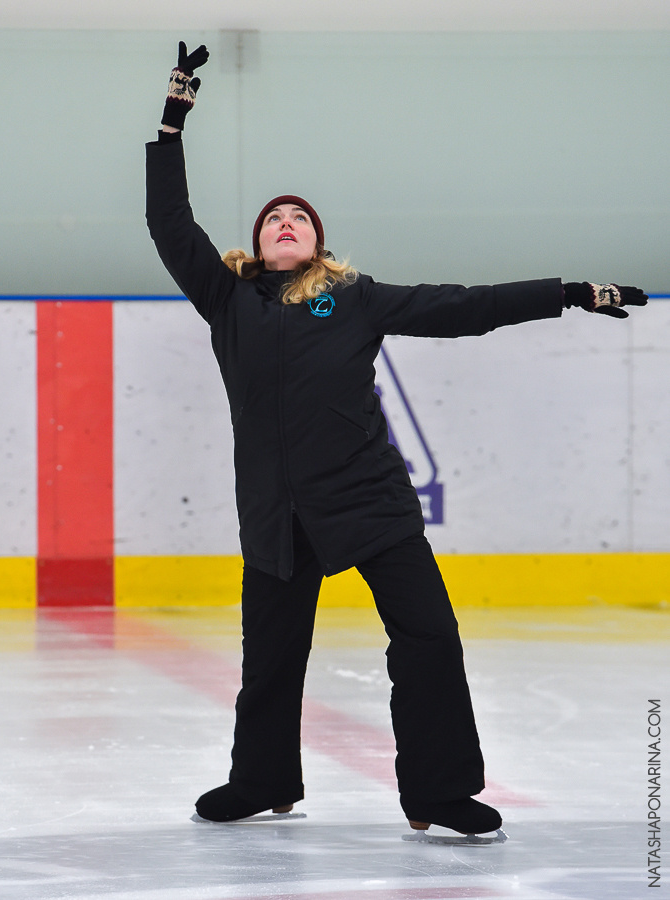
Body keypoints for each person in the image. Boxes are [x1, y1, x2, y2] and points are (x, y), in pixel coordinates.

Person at [146, 42, 648, 837]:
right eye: (273, 217)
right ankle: (262, 779)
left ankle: (439, 792)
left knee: (426, 636)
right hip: (276, 513)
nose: (285, 222)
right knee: (269, 661)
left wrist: (568, 293)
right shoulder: (228, 300)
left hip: (368, 498)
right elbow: (169, 223)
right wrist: (172, 123)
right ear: (259, 241)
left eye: (299, 217)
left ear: (316, 242)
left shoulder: (354, 299)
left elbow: (461, 306)